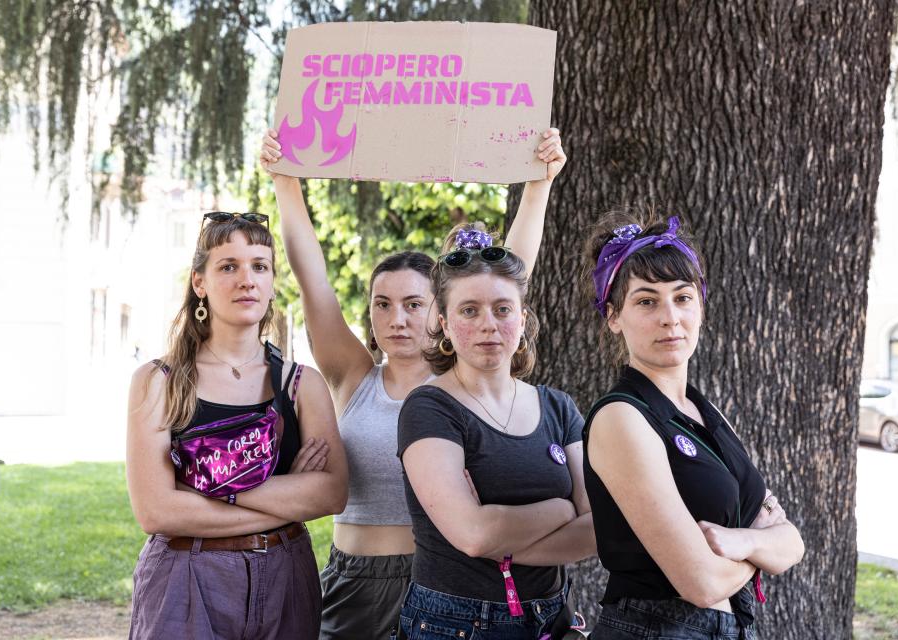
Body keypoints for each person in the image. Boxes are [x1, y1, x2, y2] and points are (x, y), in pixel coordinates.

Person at [259, 127, 566, 639]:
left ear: (443, 314)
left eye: (414, 304)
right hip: (357, 585)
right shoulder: (353, 376)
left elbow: (510, 276)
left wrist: (540, 185)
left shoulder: (458, 386)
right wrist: (286, 183)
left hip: (450, 586)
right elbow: (311, 275)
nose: (397, 318)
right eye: (383, 304)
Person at [125, 212, 349, 640]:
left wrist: (202, 485)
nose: (247, 280)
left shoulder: (301, 384)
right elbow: (155, 510)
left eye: (259, 266)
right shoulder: (159, 381)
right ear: (199, 283)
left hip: (286, 575)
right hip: (184, 576)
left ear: (270, 282)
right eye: (228, 266)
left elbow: (331, 493)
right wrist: (286, 497)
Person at [582, 214, 805, 639]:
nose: (670, 317)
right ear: (613, 317)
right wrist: (762, 544)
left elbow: (792, 542)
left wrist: (744, 543)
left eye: (682, 298)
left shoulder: (706, 412)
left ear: (700, 306)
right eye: (646, 301)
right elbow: (700, 582)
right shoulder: (622, 418)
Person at [396, 225, 597, 639]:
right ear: (445, 325)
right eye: (469, 311)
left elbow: (598, 530)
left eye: (503, 310)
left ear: (522, 320)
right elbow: (471, 535)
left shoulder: (558, 407)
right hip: (454, 623)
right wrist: (562, 510)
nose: (489, 324)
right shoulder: (429, 408)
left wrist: (498, 540)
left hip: (553, 618)